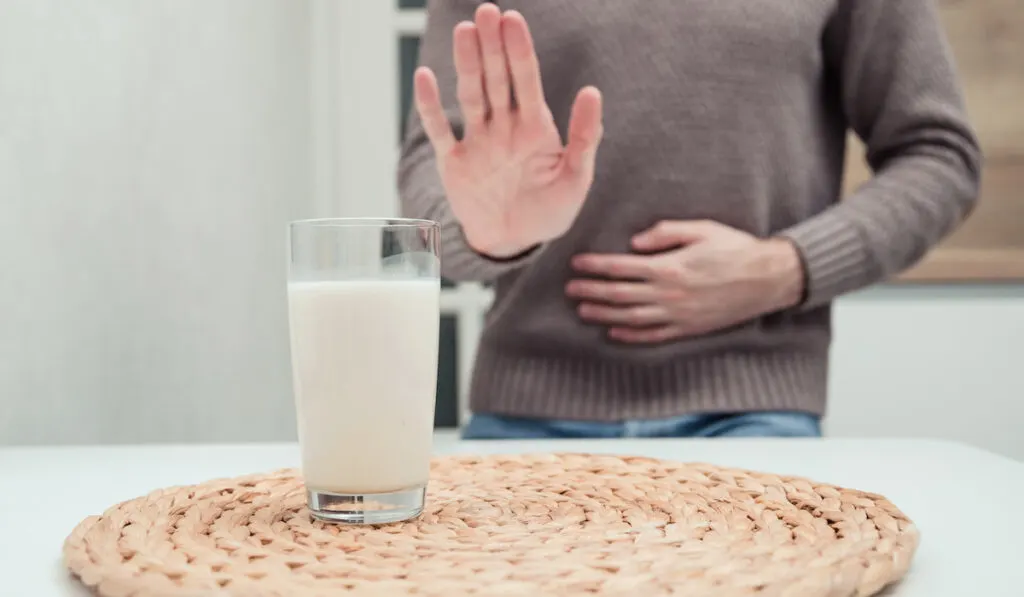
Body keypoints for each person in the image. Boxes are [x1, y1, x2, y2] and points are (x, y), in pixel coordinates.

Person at [397, 0, 981, 439]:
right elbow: (436, 164)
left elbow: (938, 157)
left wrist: (786, 268)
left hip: (754, 412)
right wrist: (487, 233)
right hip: (526, 416)